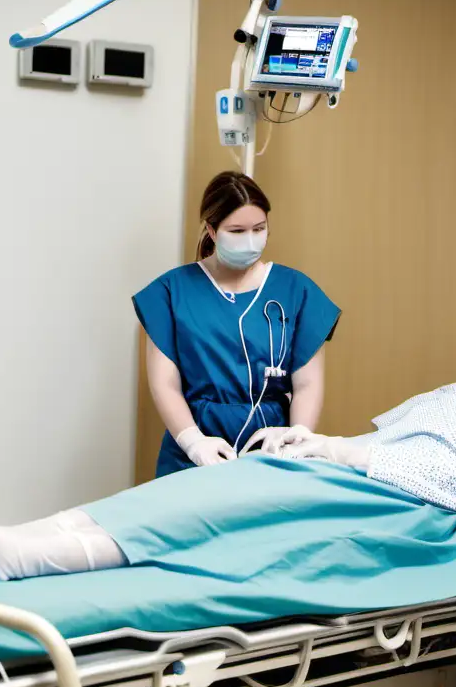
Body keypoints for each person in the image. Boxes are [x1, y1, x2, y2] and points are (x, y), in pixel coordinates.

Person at [0, 265, 456, 582]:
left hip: (402, 510)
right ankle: (19, 539)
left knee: (226, 501)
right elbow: (384, 440)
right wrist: (317, 442)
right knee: (198, 488)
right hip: (356, 474)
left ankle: (25, 557)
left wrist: (343, 456)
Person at [135, 171, 341, 477]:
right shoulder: (171, 292)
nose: (250, 240)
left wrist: (297, 437)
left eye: (259, 229)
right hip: (193, 447)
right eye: (236, 230)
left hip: (272, 450)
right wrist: (192, 441)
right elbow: (164, 384)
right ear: (212, 230)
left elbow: (307, 383)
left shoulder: (297, 291)